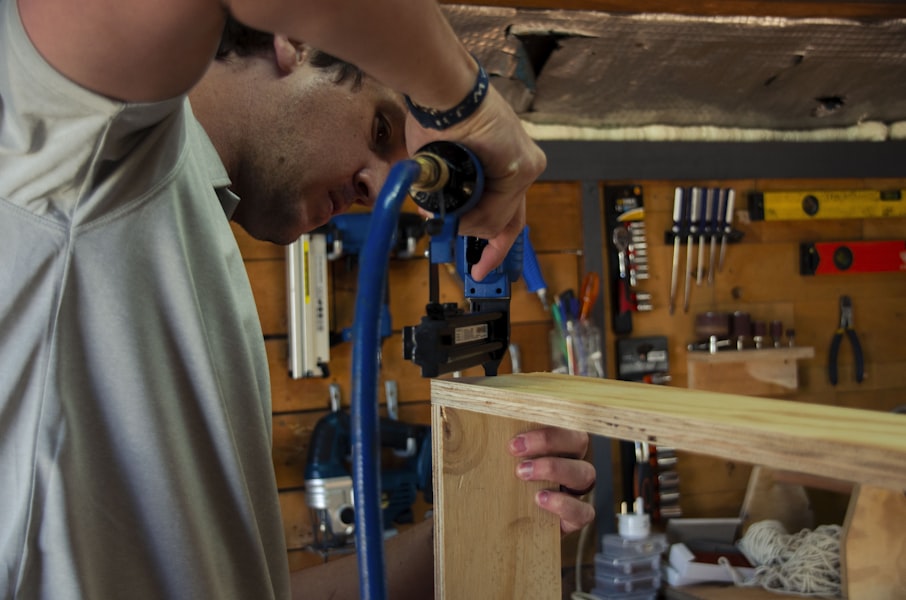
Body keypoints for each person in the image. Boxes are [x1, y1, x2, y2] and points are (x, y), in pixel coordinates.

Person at [0, 2, 595, 599]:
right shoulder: (98, 135)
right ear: (296, 40)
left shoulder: (187, 221)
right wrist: (461, 102)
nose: (379, 188)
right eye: (381, 130)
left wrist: (482, 520)